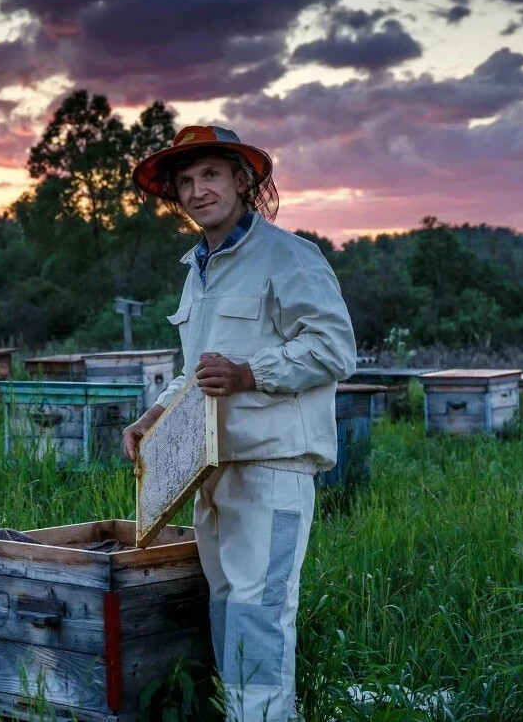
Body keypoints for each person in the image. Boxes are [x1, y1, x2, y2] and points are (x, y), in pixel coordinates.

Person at [123, 125, 357, 721]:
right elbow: (197, 371)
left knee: (262, 610)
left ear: (242, 180)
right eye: (185, 181)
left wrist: (250, 374)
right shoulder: (197, 269)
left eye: (210, 175)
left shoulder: (289, 255)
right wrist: (155, 416)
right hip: (210, 467)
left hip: (271, 466)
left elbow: (334, 348)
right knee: (228, 604)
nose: (198, 190)